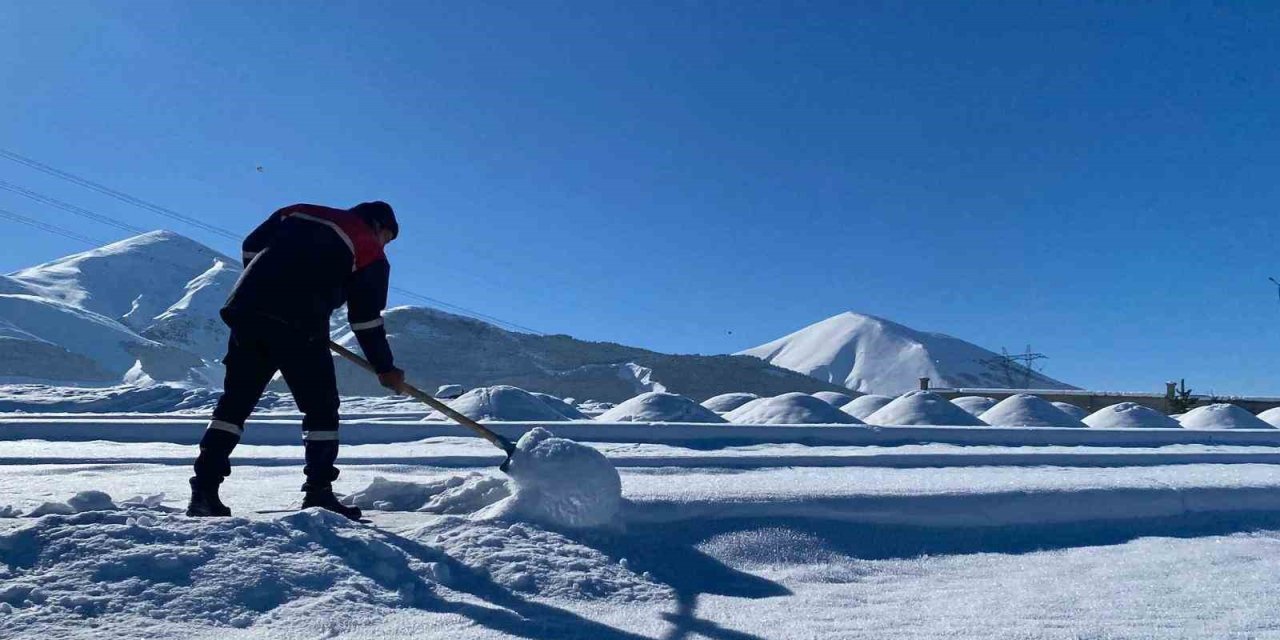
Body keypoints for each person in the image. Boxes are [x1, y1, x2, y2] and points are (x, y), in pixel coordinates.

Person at [187, 201, 406, 520]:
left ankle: (203, 492)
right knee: (321, 409)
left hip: (248, 312)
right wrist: (385, 369)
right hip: (301, 324)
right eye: (388, 237)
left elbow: (251, 245)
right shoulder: (370, 248)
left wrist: (267, 290)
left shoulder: (299, 211)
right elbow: (366, 321)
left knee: (235, 404)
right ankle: (319, 492)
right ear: (378, 226)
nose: (386, 244)